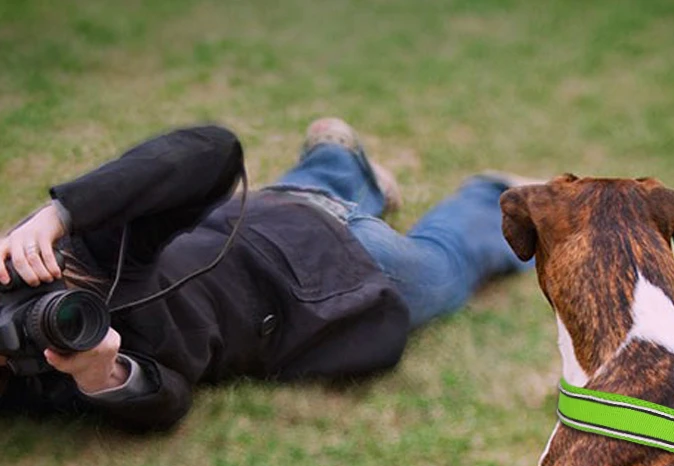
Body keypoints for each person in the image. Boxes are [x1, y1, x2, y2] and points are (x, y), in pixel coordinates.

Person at [0, 119, 534, 431]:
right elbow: (169, 399)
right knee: (312, 193)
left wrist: (62, 213)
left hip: (343, 266)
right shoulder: (48, 366)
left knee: (446, 266)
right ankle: (337, 164)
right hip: (272, 216)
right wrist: (103, 375)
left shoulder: (80, 250)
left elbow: (215, 150)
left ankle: (488, 197)